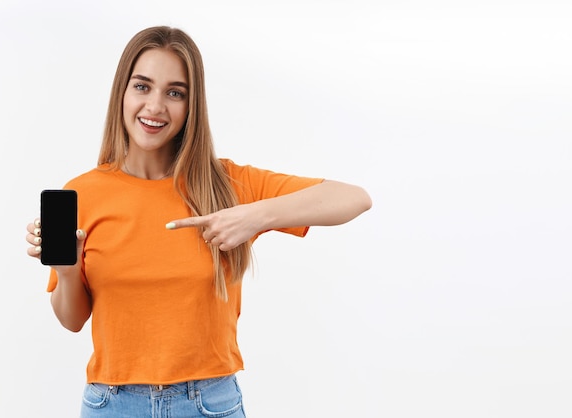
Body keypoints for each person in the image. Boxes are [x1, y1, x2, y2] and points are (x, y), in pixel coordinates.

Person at [25, 25, 372, 418]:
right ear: (122, 92)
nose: (155, 106)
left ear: (192, 105)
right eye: (142, 86)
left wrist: (254, 216)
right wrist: (68, 272)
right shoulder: (84, 193)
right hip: (112, 404)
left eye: (175, 93)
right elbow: (71, 321)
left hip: (209, 405)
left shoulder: (226, 184)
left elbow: (354, 198)